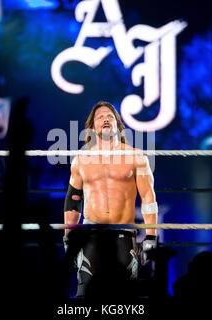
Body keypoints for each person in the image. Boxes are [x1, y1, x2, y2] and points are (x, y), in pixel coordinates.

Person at [63, 101, 158, 298]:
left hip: (123, 232)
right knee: (85, 295)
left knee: (125, 297)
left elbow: (148, 196)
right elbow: (73, 199)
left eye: (110, 116)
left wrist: (150, 236)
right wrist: (68, 236)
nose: (106, 119)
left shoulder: (136, 157)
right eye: (100, 117)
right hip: (91, 232)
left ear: (117, 125)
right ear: (92, 126)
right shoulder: (81, 159)